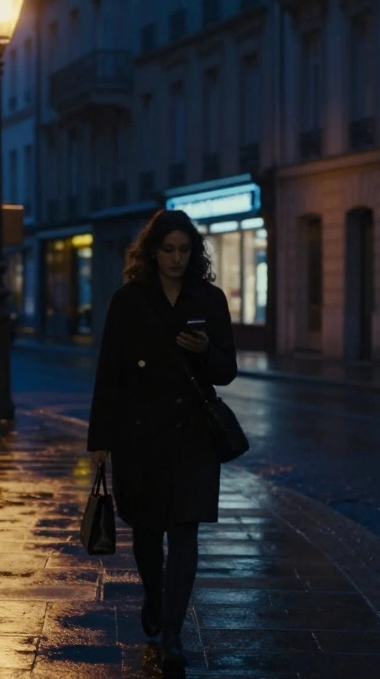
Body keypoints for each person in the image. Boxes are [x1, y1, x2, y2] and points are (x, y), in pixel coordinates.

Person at [86, 209, 237, 672]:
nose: (176, 258)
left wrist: (207, 352)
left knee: (185, 531)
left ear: (194, 253)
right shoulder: (130, 300)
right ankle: (154, 596)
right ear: (152, 252)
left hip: (192, 435)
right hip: (141, 435)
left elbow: (226, 371)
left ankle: (172, 631)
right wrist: (101, 438)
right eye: (168, 249)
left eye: (184, 250)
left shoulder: (208, 298)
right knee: (148, 531)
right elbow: (109, 372)